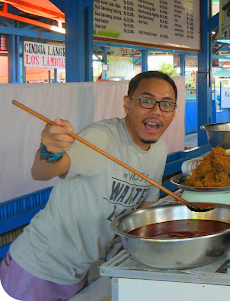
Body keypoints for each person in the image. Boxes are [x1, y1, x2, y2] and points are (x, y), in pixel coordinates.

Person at [0, 71, 178, 300]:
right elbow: (42, 172)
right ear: (127, 103)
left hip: (81, 271)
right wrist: (50, 151)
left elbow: (146, 202)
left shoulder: (159, 148)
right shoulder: (100, 138)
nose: (156, 111)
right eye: (146, 100)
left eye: (166, 104)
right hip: (38, 267)